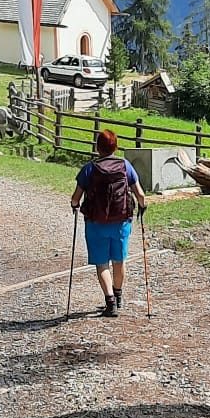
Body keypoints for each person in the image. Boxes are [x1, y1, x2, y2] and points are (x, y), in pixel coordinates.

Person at [70, 127, 147, 317]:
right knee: (119, 261)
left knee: (102, 263)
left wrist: (75, 206)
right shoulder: (125, 165)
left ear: (98, 147)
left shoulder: (90, 168)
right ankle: (118, 295)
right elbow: (141, 195)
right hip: (121, 222)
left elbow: (75, 198)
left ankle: (110, 301)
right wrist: (142, 207)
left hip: (95, 223)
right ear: (115, 147)